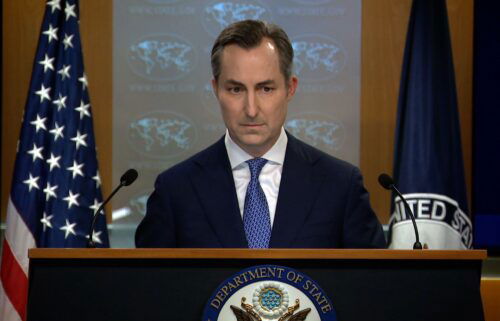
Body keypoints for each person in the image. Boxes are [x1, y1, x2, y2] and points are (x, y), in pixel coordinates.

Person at [135, 20, 386, 248]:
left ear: (290, 88)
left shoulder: (340, 186)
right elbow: (151, 290)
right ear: (215, 89)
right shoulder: (176, 190)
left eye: (266, 89)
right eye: (235, 89)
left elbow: (370, 288)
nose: (251, 109)